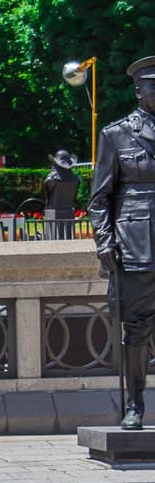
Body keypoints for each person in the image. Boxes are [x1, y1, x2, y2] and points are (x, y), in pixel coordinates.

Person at [89, 55, 155, 429]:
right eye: (153, 86)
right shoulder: (117, 134)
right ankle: (135, 404)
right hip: (136, 245)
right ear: (138, 90)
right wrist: (104, 242)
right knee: (135, 329)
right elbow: (99, 199)